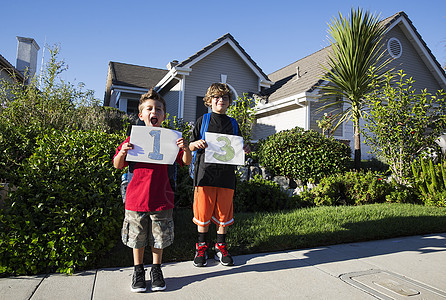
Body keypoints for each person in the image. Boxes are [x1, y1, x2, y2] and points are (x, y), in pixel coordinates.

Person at [113, 88, 192, 293]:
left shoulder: (170, 140)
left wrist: (186, 149)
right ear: (141, 115)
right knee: (137, 237)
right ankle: (138, 270)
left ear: (164, 115)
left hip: (161, 198)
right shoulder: (133, 139)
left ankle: (156, 270)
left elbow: (184, 162)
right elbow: (117, 165)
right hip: (135, 198)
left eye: (158, 109)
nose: (153, 112)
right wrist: (122, 152)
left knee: (159, 237)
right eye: (149, 109)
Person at [189, 83, 243, 267]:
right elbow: (189, 145)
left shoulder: (233, 123)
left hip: (227, 176)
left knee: (223, 214)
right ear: (209, 101)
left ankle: (221, 246)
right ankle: (201, 247)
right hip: (205, 175)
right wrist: (196, 144)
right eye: (217, 97)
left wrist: (246, 149)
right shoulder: (202, 120)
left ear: (229, 102)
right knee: (203, 213)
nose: (221, 100)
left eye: (225, 97)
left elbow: (240, 147)